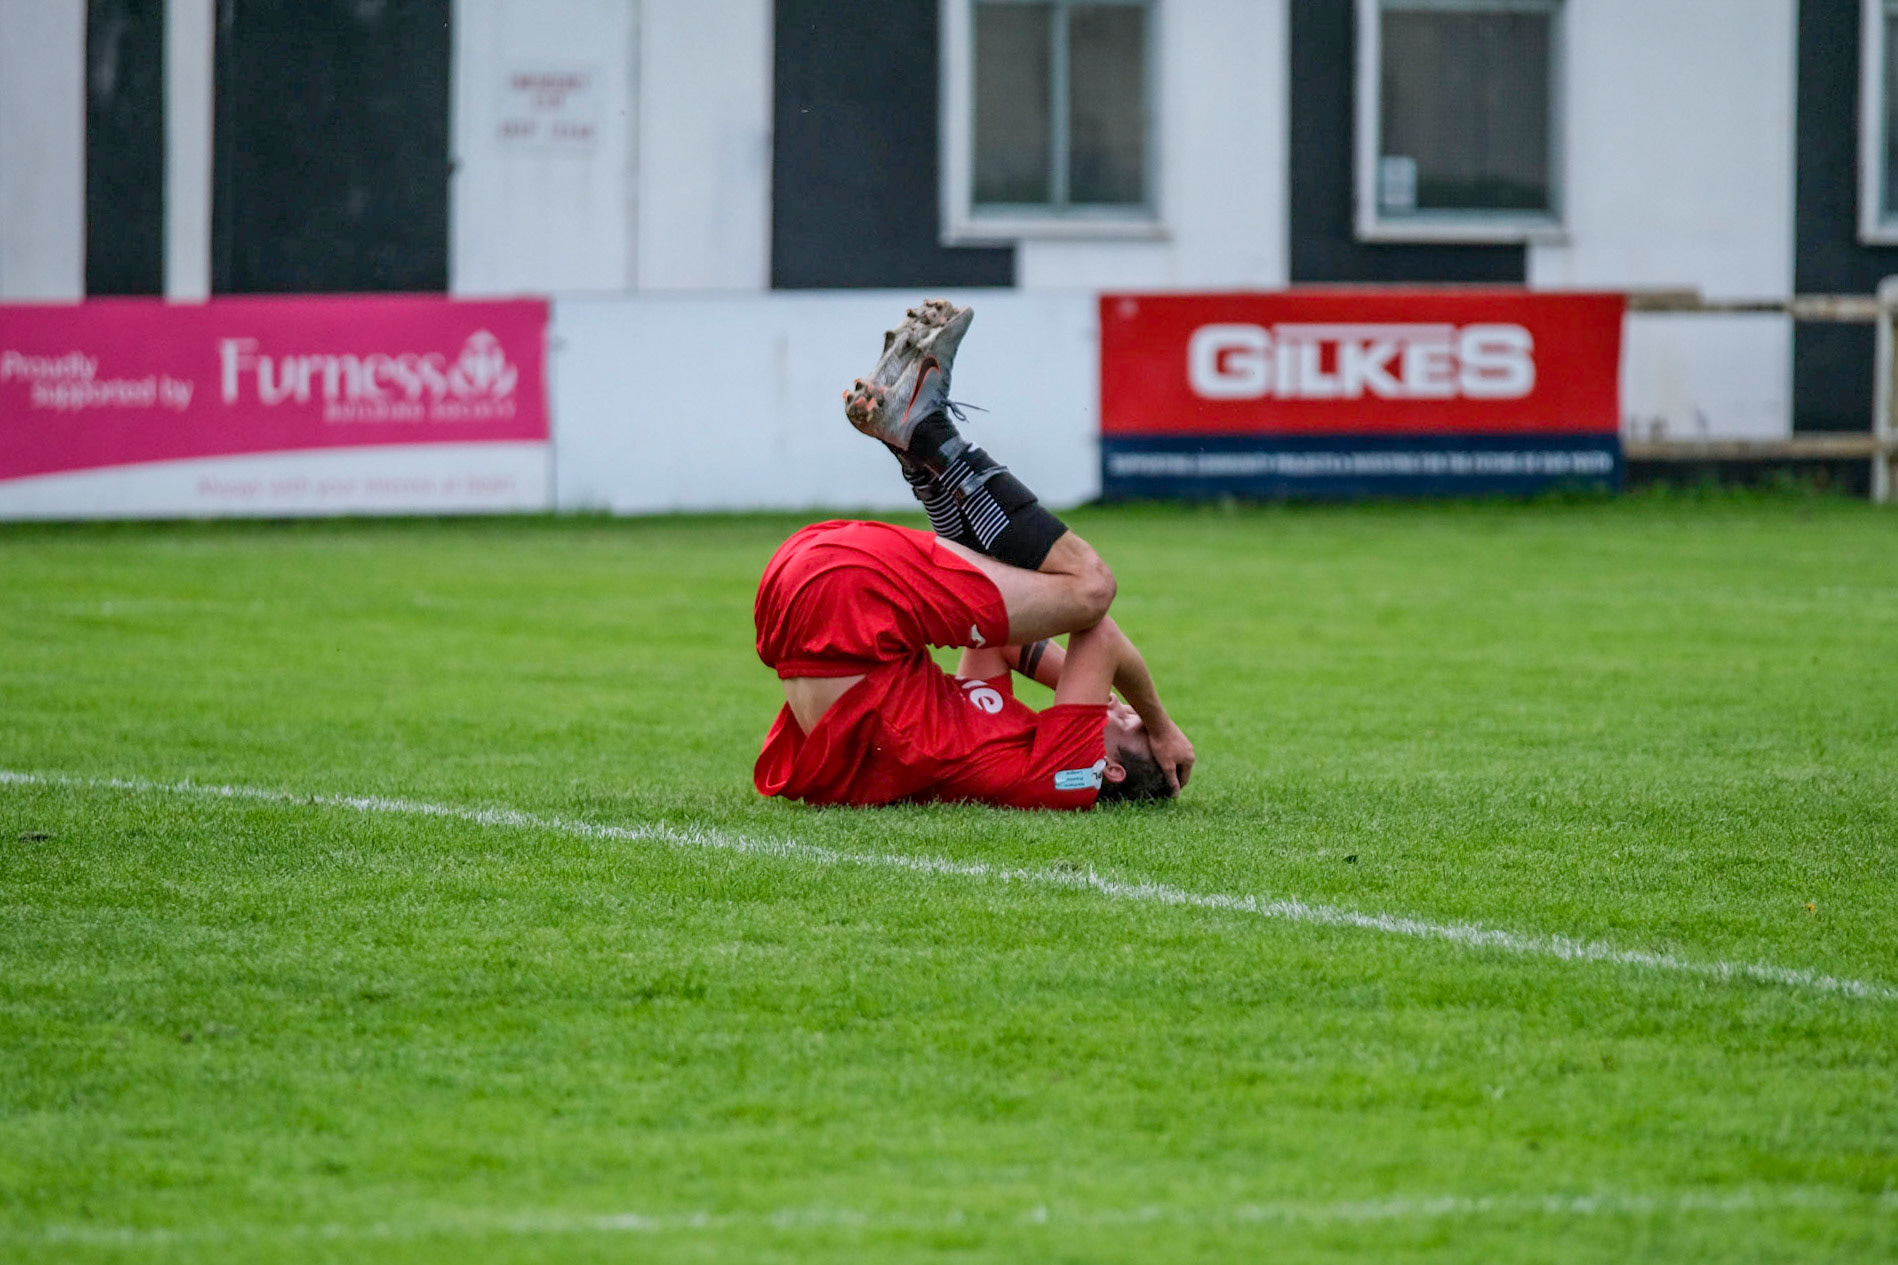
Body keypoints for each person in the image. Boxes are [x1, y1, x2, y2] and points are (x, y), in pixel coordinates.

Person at [752, 299, 1194, 810]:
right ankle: (913, 448)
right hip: (818, 586)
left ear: (1112, 768)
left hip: (848, 602)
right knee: (1004, 597)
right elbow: (1001, 642)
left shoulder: (1072, 777)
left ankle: (927, 436)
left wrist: (1159, 726)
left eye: (1130, 727)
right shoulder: (1001, 748)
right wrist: (1093, 696)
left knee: (1092, 587)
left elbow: (1100, 636)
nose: (1126, 712)